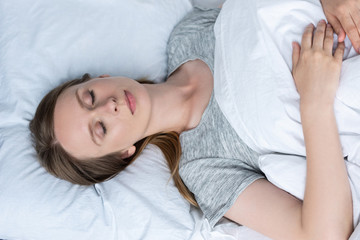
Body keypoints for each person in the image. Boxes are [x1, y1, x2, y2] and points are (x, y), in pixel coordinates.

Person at [30, 2, 355, 240]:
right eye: (100, 128)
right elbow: (322, 234)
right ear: (123, 153)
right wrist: (315, 103)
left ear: (99, 78)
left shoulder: (188, 33)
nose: (108, 105)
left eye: (89, 97)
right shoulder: (203, 168)